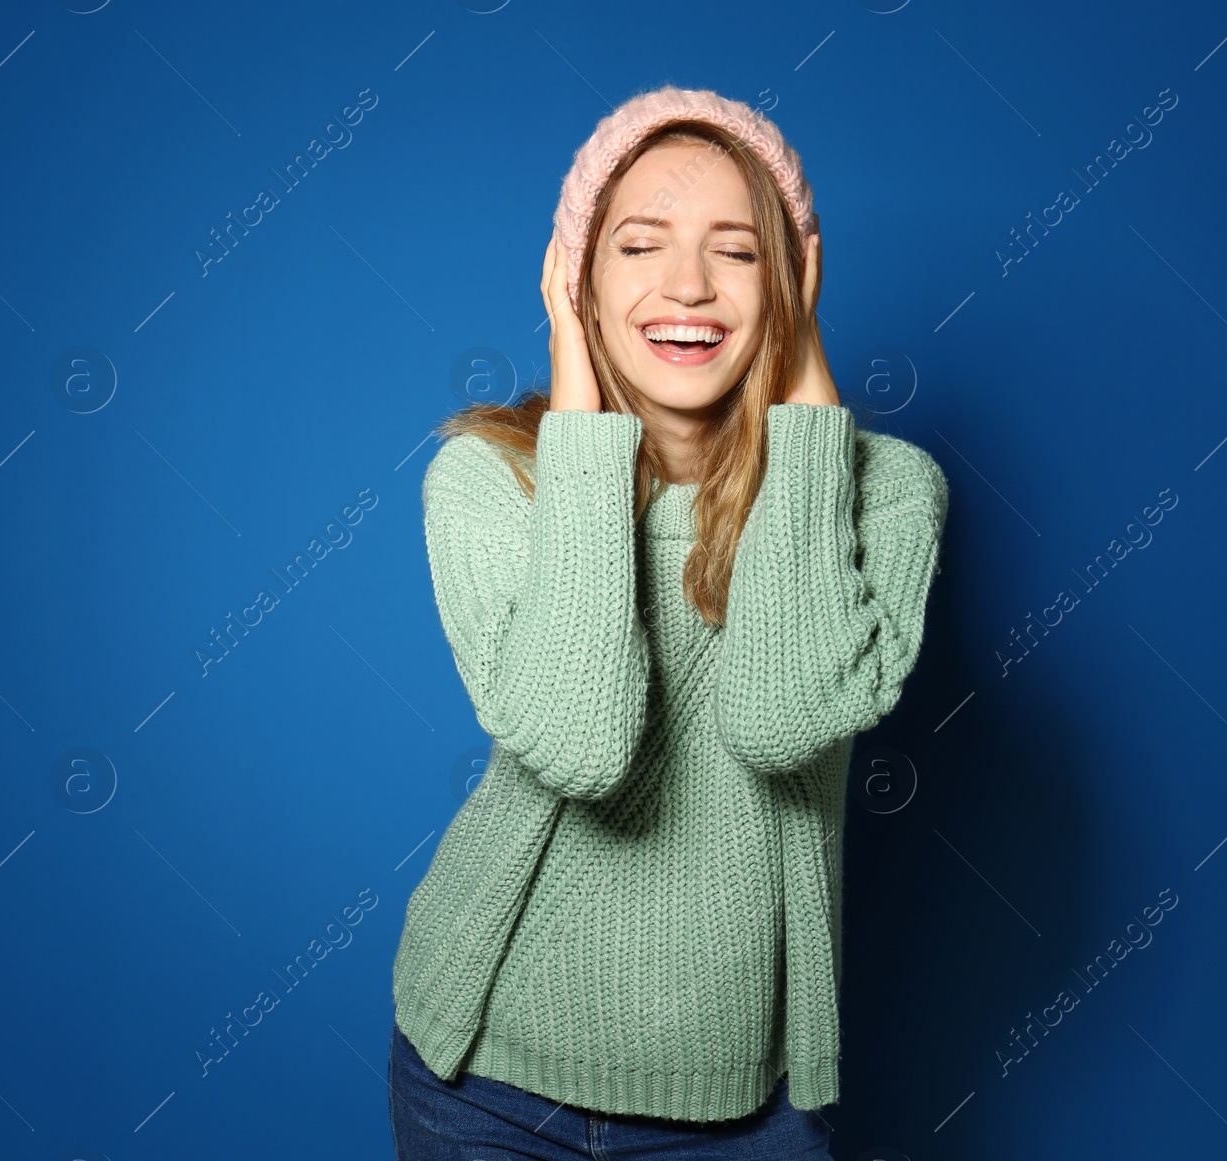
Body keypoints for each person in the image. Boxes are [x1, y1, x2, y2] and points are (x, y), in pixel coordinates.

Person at [387, 84, 950, 1159]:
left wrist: (807, 421)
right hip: (482, 1084)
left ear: (790, 284)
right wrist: (583, 437)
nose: (687, 284)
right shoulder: (486, 479)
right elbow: (582, 743)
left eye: (738, 253)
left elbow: (787, 716)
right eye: (639, 245)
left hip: (749, 1111)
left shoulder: (883, 493)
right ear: (576, 282)